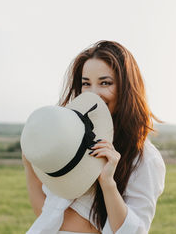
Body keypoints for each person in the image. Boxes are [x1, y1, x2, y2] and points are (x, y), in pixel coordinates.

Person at [22, 40, 166, 234]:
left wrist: (108, 183)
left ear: (126, 88)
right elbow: (46, 217)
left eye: (105, 83)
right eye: (86, 84)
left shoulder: (145, 158)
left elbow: (134, 231)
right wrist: (29, 163)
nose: (94, 93)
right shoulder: (71, 140)